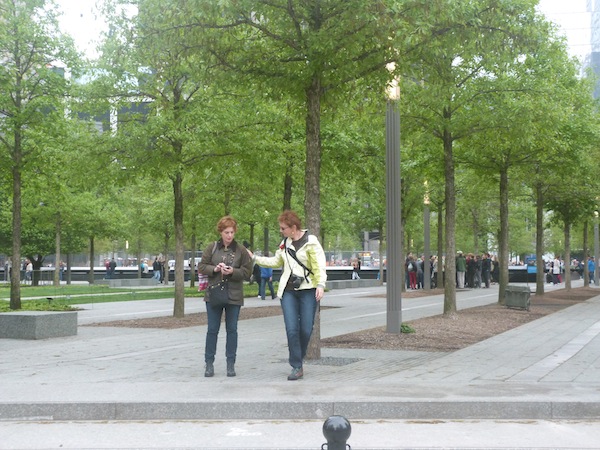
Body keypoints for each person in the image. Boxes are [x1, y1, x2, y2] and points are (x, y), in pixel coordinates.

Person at [250, 210, 327, 381]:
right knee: (292, 329)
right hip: (288, 292)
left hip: (308, 289)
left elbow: (319, 266)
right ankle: (296, 365)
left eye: (283, 228)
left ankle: (298, 357)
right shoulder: (285, 243)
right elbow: (276, 261)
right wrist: (255, 258)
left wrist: (320, 285)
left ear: (293, 228)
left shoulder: (310, 242)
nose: (281, 231)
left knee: (306, 329)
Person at [198, 216, 252, 378]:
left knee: (232, 330)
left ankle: (230, 364)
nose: (229, 235)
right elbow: (201, 266)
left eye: (232, 232)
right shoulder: (212, 247)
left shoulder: (241, 250)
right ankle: (209, 363)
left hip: (234, 295)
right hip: (214, 294)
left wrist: (232, 272)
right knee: (212, 329)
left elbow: (247, 272)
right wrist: (215, 269)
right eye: (226, 232)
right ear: (220, 232)